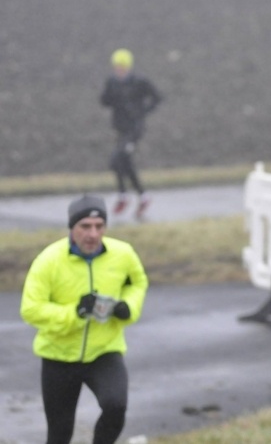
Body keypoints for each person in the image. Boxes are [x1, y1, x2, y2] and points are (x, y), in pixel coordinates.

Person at [20, 195, 149, 444]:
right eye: (85, 226)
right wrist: (75, 313)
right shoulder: (49, 260)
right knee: (59, 433)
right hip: (59, 356)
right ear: (72, 227)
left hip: (104, 351)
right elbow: (30, 309)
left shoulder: (123, 254)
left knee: (115, 406)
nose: (93, 234)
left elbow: (138, 282)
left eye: (99, 226)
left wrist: (128, 307)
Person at [100, 48, 162, 218]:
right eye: (117, 67)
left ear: (128, 66)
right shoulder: (112, 82)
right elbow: (104, 101)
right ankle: (143, 196)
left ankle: (124, 196)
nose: (119, 70)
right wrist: (109, 95)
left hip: (135, 129)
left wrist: (143, 111)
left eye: (122, 66)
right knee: (123, 162)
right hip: (121, 128)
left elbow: (157, 97)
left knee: (117, 159)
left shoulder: (139, 82)